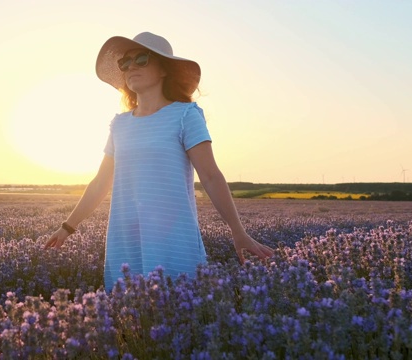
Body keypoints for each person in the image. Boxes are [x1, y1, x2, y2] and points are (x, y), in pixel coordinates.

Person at [44, 32, 274, 290]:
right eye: (125, 63)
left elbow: (210, 176)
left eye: (141, 59)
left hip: (173, 238)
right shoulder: (120, 124)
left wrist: (237, 231)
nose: (131, 67)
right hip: (125, 238)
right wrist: (67, 227)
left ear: (164, 69)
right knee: (128, 317)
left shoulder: (185, 114)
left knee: (179, 312)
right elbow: (100, 182)